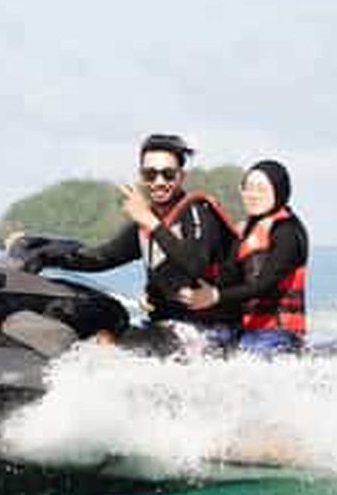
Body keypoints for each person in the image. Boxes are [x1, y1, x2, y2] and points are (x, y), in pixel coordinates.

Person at [25, 133, 235, 348]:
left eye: (168, 174)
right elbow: (99, 258)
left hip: (205, 332)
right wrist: (40, 250)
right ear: (141, 176)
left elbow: (195, 264)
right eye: (150, 174)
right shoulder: (147, 222)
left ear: (181, 176)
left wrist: (149, 220)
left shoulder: (197, 213)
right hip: (164, 327)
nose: (159, 182)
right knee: (93, 319)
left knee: (109, 348)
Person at [180, 159, 308, 355]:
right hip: (243, 330)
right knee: (194, 348)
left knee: (241, 357)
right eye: (248, 188)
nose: (253, 195)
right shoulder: (245, 231)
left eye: (261, 189)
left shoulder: (287, 232)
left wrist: (215, 296)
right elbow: (225, 279)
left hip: (280, 333)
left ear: (279, 191)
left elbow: (264, 285)